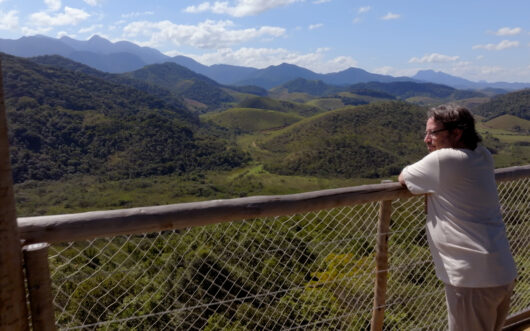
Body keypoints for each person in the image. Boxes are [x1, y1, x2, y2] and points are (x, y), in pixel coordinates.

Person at [398, 104, 517, 331]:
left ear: (457, 133)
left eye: (433, 133)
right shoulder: (482, 155)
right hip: (501, 272)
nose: (426, 139)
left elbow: (404, 177)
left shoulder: (445, 160)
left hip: (472, 278)